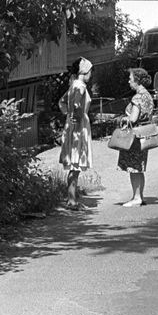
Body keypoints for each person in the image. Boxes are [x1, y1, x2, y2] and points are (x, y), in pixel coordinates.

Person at [58, 57, 94, 210]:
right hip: (78, 127)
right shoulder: (80, 87)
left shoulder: (73, 85)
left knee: (75, 163)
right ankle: (71, 200)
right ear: (84, 71)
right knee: (76, 161)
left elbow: (62, 102)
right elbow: (77, 104)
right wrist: (78, 117)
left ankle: (71, 197)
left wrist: (69, 115)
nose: (91, 75)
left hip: (72, 124)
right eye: (90, 71)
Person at [118, 67, 155, 206]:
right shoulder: (147, 95)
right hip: (145, 133)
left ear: (137, 80)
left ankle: (136, 198)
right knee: (140, 166)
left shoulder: (138, 97)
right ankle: (140, 196)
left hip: (135, 136)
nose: (129, 81)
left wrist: (122, 119)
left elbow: (133, 118)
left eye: (131, 79)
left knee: (133, 167)